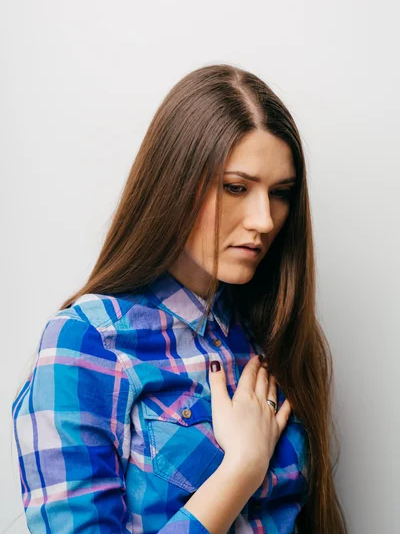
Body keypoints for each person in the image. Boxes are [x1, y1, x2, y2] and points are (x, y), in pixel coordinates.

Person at [12, 64, 348, 533]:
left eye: (280, 193)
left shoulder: (270, 333)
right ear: (175, 181)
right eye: (236, 187)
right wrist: (240, 471)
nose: (265, 220)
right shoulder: (86, 345)